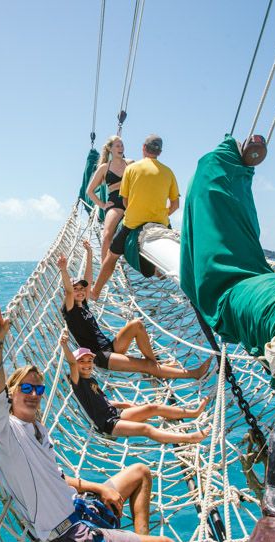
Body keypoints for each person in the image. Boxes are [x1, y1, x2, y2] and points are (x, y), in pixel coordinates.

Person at [0, 297, 231, 542]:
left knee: (140, 472)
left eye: (39, 390)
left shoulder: (38, 430)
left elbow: (58, 477)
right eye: (26, 388)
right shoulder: (5, 430)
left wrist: (100, 488)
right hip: (69, 535)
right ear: (11, 393)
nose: (34, 394)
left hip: (80, 506)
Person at [57, 241, 211, 380]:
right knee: (146, 366)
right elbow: (70, 292)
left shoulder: (82, 303)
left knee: (136, 324)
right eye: (75, 289)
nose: (80, 291)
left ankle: (156, 366)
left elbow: (88, 280)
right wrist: (64, 270)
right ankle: (192, 374)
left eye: (82, 289)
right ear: (68, 292)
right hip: (100, 356)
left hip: (110, 346)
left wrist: (89, 253)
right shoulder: (70, 310)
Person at [60, 332, 213, 443]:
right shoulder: (78, 382)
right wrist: (64, 345)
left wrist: (124, 405)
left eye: (89, 361)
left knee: (152, 408)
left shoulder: (91, 379)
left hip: (115, 412)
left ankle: (193, 413)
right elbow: (72, 363)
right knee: (146, 430)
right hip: (108, 423)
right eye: (82, 362)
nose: (86, 364)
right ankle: (190, 438)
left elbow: (100, 401)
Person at [91, 134, 180, 300]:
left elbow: (124, 200)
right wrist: (160, 214)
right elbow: (175, 205)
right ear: (159, 152)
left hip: (133, 223)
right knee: (160, 268)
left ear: (143, 149)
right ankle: (158, 272)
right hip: (161, 223)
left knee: (111, 257)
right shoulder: (169, 172)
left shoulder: (131, 169)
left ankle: (95, 292)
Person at [86, 135, 133, 260]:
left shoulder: (131, 163)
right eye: (117, 145)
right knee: (107, 236)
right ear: (110, 149)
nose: (121, 148)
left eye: (122, 145)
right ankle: (104, 268)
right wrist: (102, 205)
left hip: (131, 202)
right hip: (115, 204)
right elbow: (89, 191)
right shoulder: (104, 168)